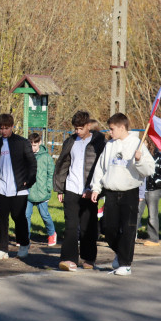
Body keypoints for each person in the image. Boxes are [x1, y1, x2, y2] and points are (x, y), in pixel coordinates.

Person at [90, 114, 154, 275]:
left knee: (128, 229)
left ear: (121, 127)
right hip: (111, 192)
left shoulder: (136, 144)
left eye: (112, 129)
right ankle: (121, 252)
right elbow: (100, 168)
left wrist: (139, 161)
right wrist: (96, 188)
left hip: (129, 193)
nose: (110, 132)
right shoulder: (109, 145)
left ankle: (125, 264)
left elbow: (149, 170)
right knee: (108, 227)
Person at [53, 111, 106, 271]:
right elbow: (63, 165)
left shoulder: (98, 142)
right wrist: (60, 188)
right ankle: (69, 259)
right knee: (70, 225)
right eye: (75, 128)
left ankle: (89, 258)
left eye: (80, 128)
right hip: (71, 188)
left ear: (88, 126)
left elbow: (103, 167)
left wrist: (97, 189)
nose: (77, 131)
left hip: (90, 191)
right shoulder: (70, 141)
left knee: (88, 226)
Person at [0, 113, 36, 261]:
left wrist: (29, 180)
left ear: (12, 127)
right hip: (1, 188)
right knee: (1, 219)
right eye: (1, 128)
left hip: (19, 188)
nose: (4, 131)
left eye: (6, 128)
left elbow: (32, 163)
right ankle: (2, 248)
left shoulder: (22, 142)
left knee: (18, 217)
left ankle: (24, 243)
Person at [137, 139, 161, 247]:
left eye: (145, 142)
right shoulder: (139, 155)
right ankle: (131, 236)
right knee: (136, 213)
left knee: (152, 215)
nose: (142, 144)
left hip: (153, 190)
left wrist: (157, 182)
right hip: (140, 189)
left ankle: (153, 238)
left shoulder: (158, 156)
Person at [26, 132, 56, 246]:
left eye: (34, 145)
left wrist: (48, 188)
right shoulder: (26, 156)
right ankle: (25, 238)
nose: (32, 148)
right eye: (30, 145)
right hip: (28, 191)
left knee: (45, 215)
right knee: (26, 215)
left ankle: (52, 234)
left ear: (39, 143)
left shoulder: (46, 157)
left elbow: (51, 173)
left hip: (42, 191)